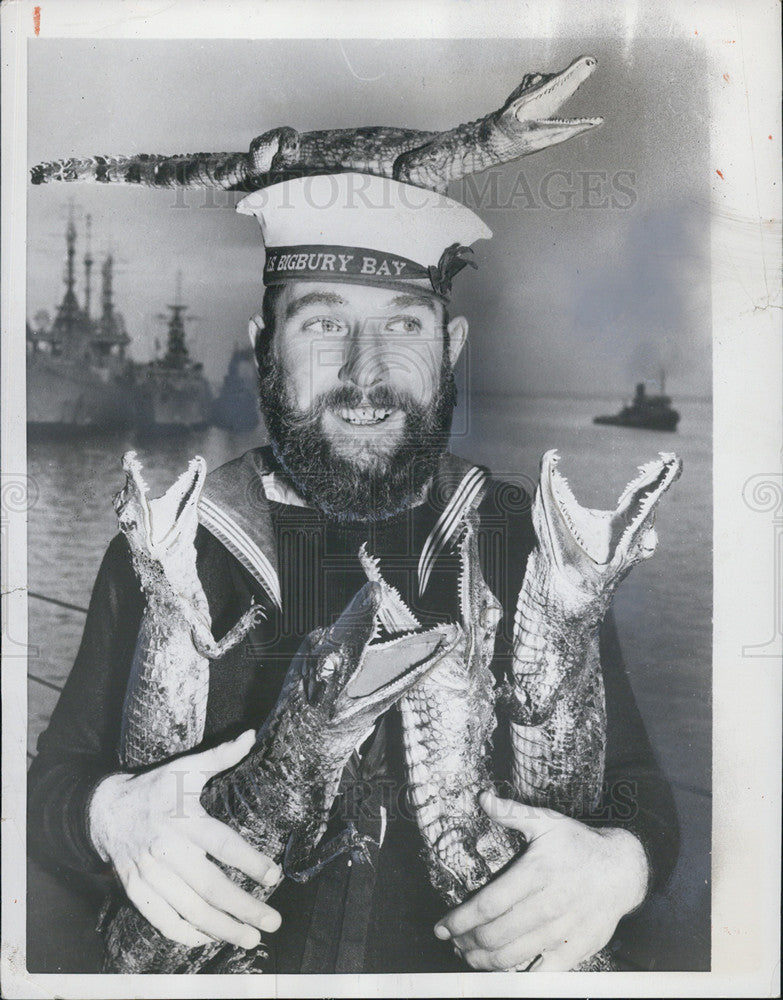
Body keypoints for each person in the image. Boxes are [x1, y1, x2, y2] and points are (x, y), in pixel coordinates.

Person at [28, 172, 679, 974]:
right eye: (323, 323)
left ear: (450, 348)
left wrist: (619, 864)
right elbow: (57, 779)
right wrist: (110, 817)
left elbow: (636, 789)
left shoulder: (528, 545)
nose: (365, 371)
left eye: (402, 324)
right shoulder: (178, 546)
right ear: (266, 344)